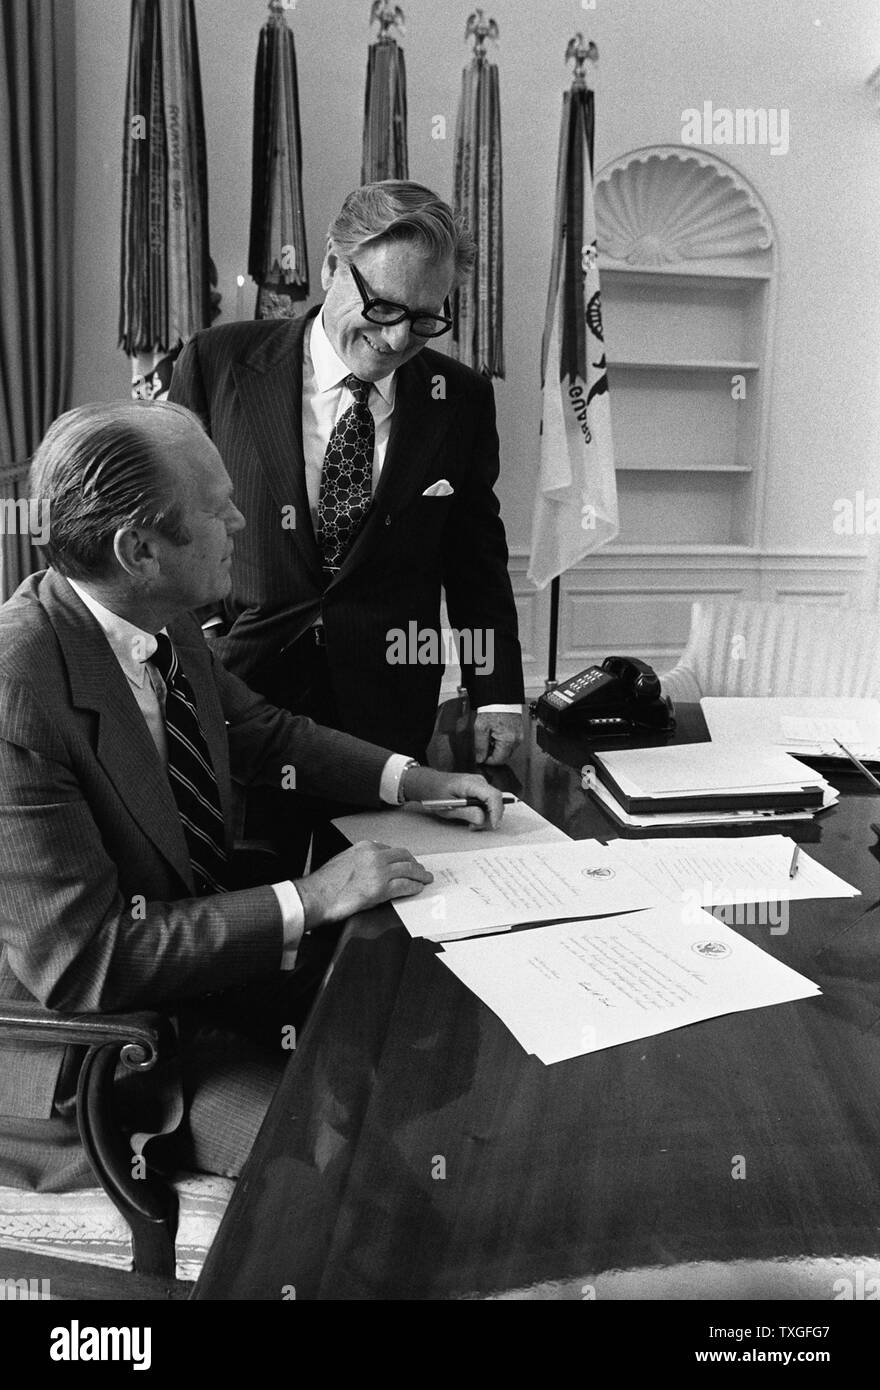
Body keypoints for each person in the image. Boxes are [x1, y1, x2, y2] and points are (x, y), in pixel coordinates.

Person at [0, 400, 503, 1191]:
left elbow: (263, 732)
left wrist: (416, 780)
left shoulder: (159, 620)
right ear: (139, 549)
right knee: (355, 1166)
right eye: (215, 507)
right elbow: (83, 963)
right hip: (105, 1049)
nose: (243, 520)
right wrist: (309, 898)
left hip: (198, 978)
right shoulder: (16, 688)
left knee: (431, 1012)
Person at [168, 179, 525, 765]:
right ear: (335, 264)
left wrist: (498, 696)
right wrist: (203, 642)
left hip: (387, 713)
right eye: (382, 307)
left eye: (425, 319)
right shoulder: (219, 361)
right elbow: (174, 516)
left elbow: (475, 562)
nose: (396, 338)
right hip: (237, 694)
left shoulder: (459, 399)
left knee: (382, 860)